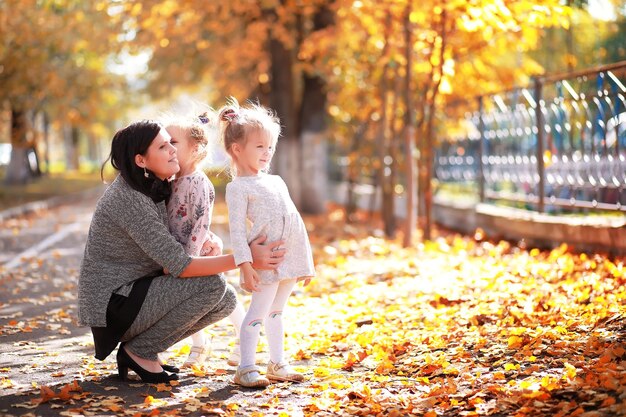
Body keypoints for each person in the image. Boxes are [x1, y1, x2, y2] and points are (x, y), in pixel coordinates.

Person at [77, 120, 285, 384]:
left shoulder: (153, 186)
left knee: (226, 300)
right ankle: (139, 351)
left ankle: (142, 348)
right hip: (115, 303)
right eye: (164, 146)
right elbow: (181, 265)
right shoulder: (128, 200)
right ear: (141, 160)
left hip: (135, 291)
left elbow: (172, 236)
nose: (173, 150)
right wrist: (245, 257)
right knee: (211, 285)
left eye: (172, 143)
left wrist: (208, 240)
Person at [219, 101, 315, 388]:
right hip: (266, 260)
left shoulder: (276, 181)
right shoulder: (238, 188)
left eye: (270, 146)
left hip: (290, 257)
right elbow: (236, 231)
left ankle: (277, 363)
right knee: (257, 313)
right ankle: (246, 367)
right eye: (260, 146)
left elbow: (295, 220)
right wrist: (245, 265)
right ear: (237, 149)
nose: (267, 152)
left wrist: (305, 262)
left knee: (277, 312)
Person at [164, 112, 245, 368]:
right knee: (186, 302)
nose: (167, 148)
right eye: (164, 143)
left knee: (221, 294)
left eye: (173, 143)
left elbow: (201, 222)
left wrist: (189, 257)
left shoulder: (198, 182)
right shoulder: (170, 180)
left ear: (195, 148)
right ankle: (199, 343)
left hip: (195, 253)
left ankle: (245, 336)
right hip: (177, 254)